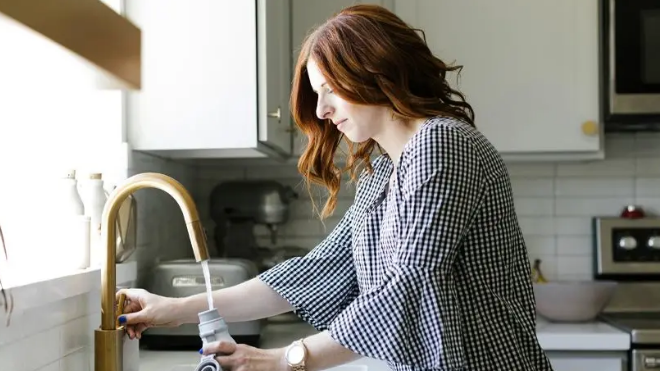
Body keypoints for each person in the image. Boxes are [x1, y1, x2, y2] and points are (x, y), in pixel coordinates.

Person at [117, 4, 554, 371]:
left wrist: (283, 359)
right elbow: (317, 271)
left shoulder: (442, 143)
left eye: (329, 91)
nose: (322, 111)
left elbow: (409, 287)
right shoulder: (384, 171)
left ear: (373, 69)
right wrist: (172, 310)